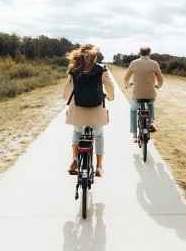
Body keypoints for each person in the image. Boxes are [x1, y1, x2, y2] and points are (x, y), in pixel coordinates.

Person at [63, 44, 114, 177]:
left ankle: (74, 159)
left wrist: (67, 98)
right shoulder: (101, 69)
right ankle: (99, 167)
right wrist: (110, 97)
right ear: (94, 57)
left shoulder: (74, 69)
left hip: (78, 109)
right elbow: (109, 85)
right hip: (96, 110)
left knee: (77, 131)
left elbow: (67, 87)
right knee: (98, 135)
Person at [124, 46, 163, 142]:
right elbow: (160, 79)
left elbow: (126, 78)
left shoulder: (134, 63)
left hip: (137, 94)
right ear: (149, 53)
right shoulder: (154, 64)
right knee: (150, 103)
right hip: (150, 93)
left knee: (133, 111)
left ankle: (134, 136)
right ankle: (152, 122)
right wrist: (157, 86)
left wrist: (128, 85)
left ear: (140, 53)